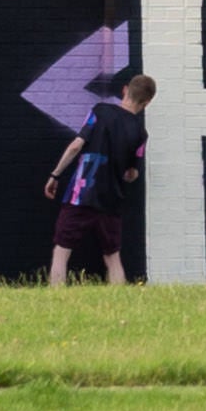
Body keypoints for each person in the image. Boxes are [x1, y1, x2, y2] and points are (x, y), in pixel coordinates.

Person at [46, 62, 152, 285]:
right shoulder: (141, 134)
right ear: (147, 102)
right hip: (111, 200)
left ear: (125, 90)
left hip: (81, 195)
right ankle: (120, 304)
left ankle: (55, 299)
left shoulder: (100, 112)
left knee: (62, 250)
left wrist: (55, 175)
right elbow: (132, 174)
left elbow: (76, 145)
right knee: (112, 256)